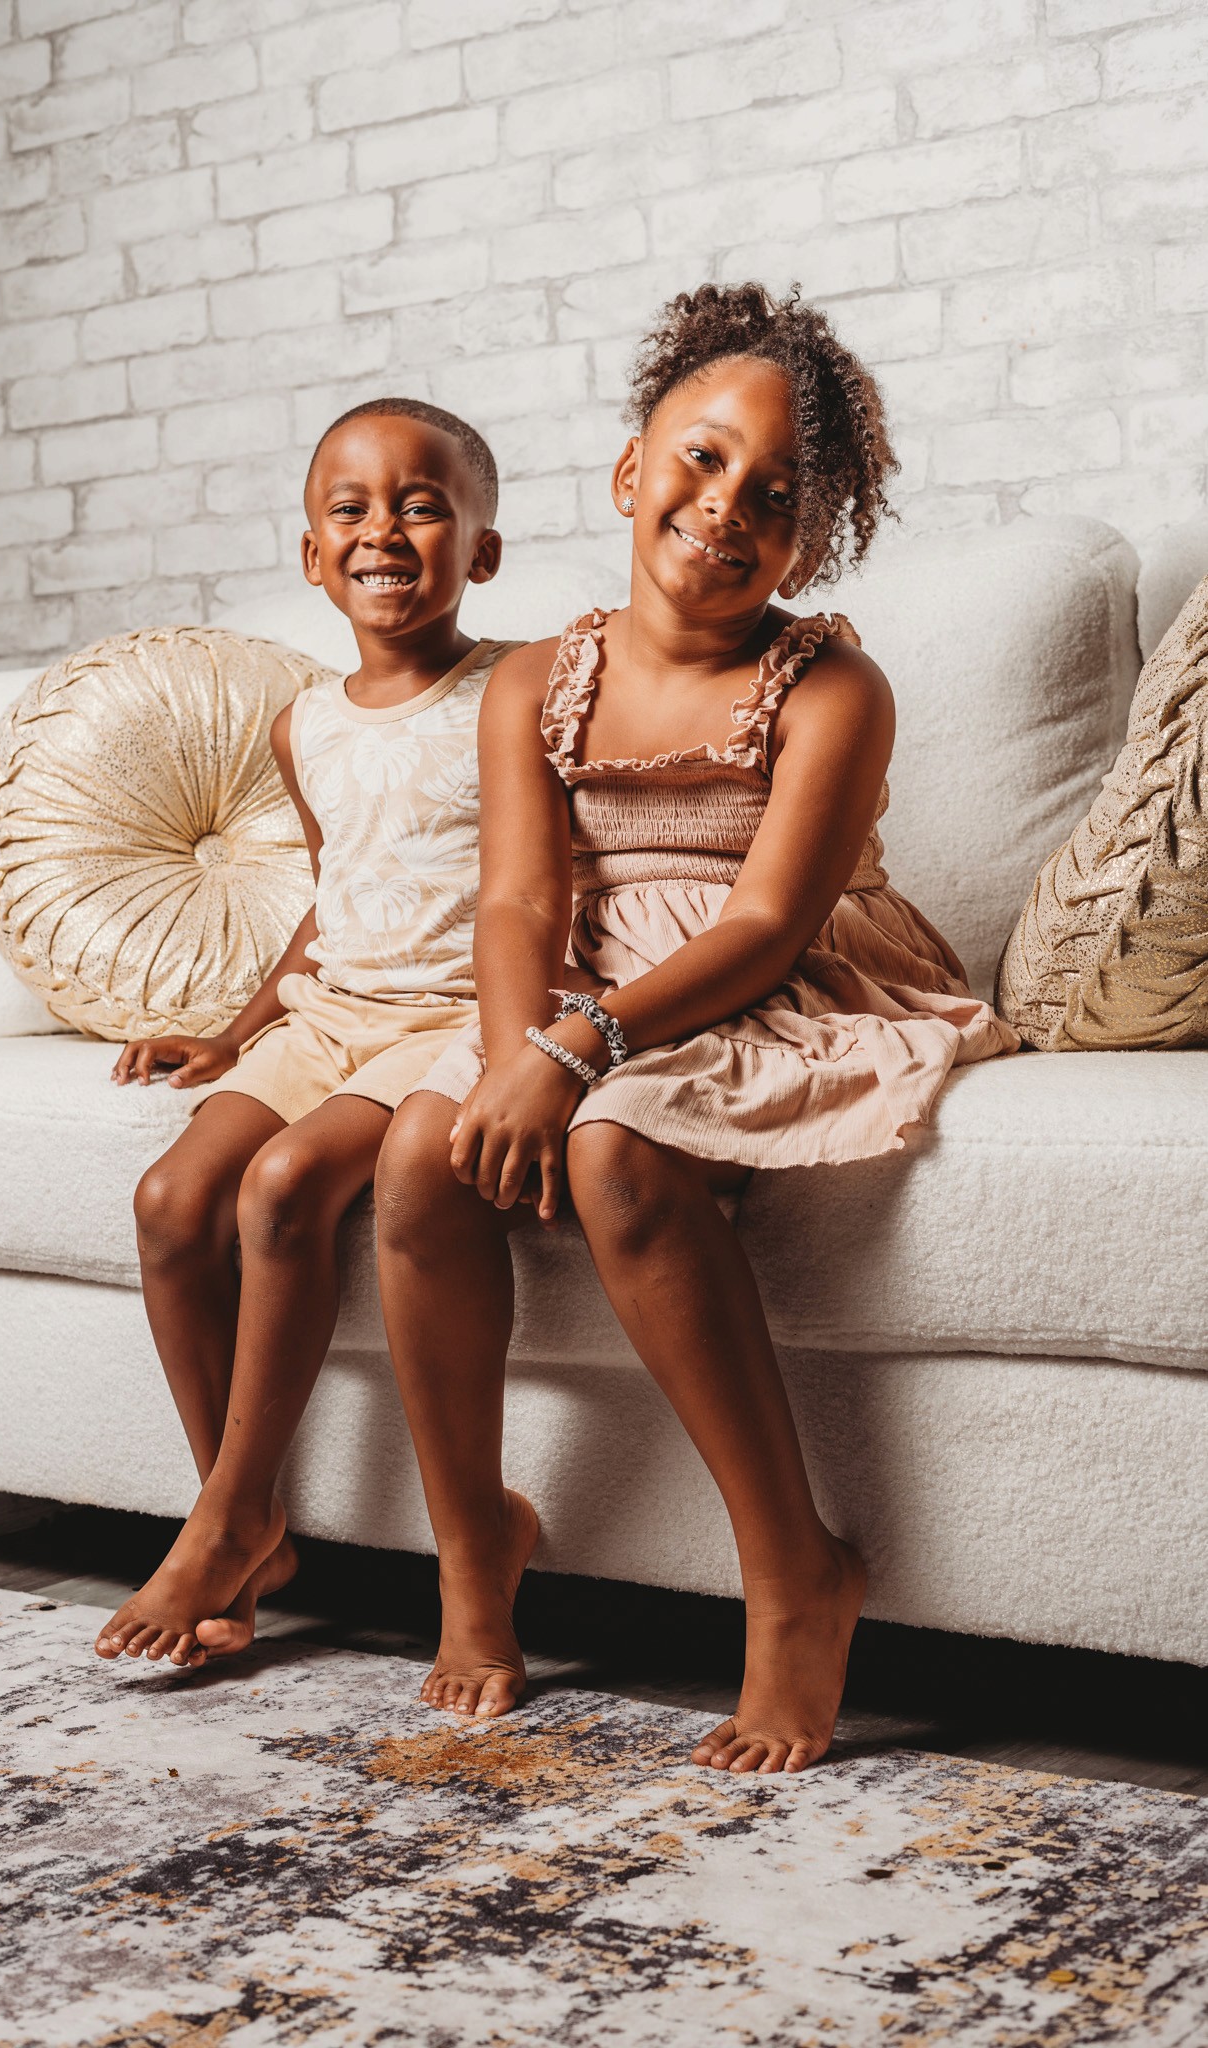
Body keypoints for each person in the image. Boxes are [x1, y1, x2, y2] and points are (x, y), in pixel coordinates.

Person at [372, 284, 1019, 1773]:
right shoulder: (534, 678)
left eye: (779, 498)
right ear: (629, 471)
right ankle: (476, 1548)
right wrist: (512, 1049)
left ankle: (798, 1572)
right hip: (571, 980)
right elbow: (520, 901)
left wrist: (578, 1057)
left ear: (813, 541)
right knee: (418, 1160)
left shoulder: (833, 686)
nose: (728, 508)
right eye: (704, 460)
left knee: (614, 1160)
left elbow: (765, 928)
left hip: (747, 982)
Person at [94, 397, 515, 1670]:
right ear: (312, 555)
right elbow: (330, 899)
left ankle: (225, 1516)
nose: (385, 528)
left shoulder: (522, 683)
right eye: (352, 508)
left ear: (482, 550)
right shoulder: (306, 721)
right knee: (172, 1198)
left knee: (281, 1187)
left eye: (423, 503)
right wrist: (234, 1034)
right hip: (328, 1013)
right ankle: (254, 1519)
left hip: (443, 1022)